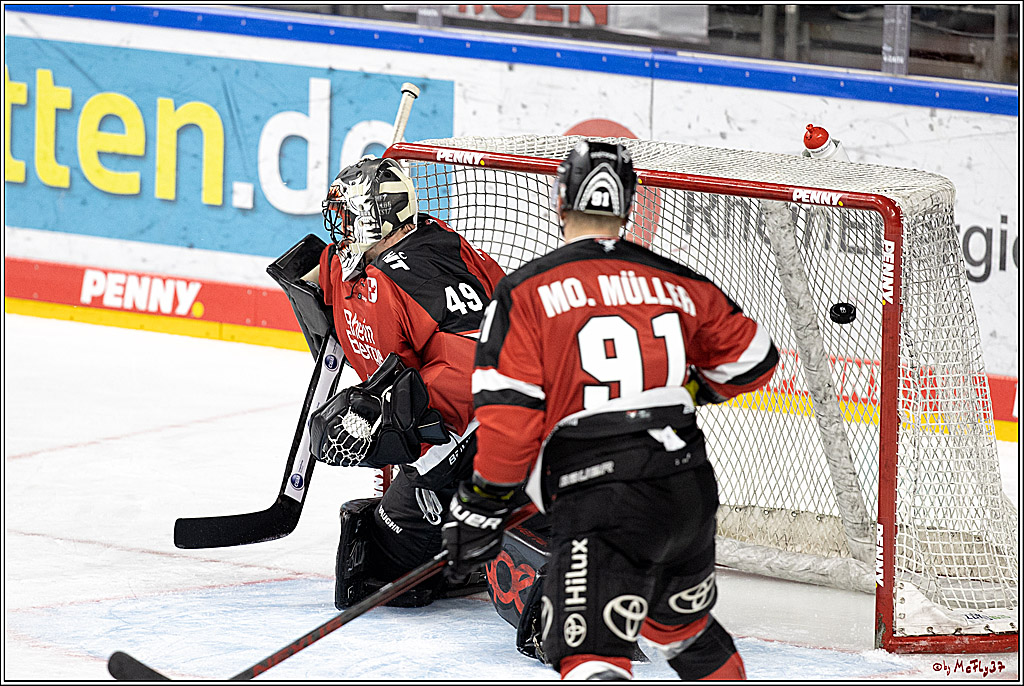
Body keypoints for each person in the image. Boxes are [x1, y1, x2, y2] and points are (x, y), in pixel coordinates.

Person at [442, 140, 779, 680]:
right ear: (627, 207)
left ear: (560, 200)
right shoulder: (678, 281)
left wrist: (482, 503)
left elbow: (511, 422)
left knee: (589, 653)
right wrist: (684, 393)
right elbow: (753, 362)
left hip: (601, 494)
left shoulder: (524, 292)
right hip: (685, 486)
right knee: (682, 634)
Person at [305, 155, 506, 609]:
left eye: (348, 216)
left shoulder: (404, 281)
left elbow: (471, 379)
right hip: (517, 406)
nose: (340, 229)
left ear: (375, 220)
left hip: (492, 424)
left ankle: (500, 535)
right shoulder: (421, 242)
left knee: (384, 566)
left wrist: (392, 429)